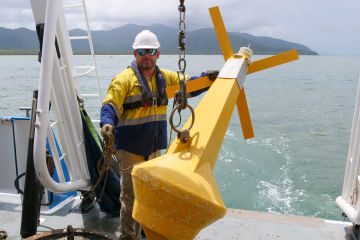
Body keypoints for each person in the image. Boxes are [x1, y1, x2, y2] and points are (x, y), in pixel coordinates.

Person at [100, 30, 217, 240]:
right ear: (135, 53)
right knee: (131, 197)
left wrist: (208, 80)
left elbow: (189, 85)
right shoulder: (123, 80)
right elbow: (110, 105)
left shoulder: (166, 78)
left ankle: (148, 231)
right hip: (131, 150)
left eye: (151, 51)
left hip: (155, 149)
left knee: (152, 195)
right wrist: (107, 124)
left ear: (158, 54)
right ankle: (128, 237)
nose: (147, 55)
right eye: (143, 51)